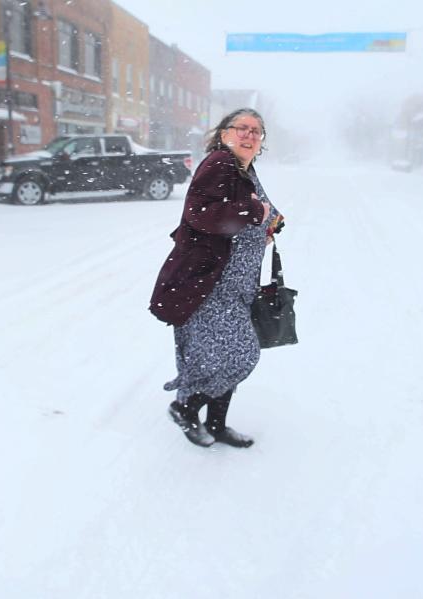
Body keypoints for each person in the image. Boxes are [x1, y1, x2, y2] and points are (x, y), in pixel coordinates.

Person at [149, 108, 284, 449]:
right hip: (212, 286)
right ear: (224, 133)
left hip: (237, 286)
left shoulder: (244, 169)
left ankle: (216, 423)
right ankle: (185, 407)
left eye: (257, 131)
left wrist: (271, 223)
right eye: (242, 128)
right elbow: (200, 213)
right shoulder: (220, 163)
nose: (250, 135)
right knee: (241, 355)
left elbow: (260, 210)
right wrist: (256, 213)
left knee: (218, 357)